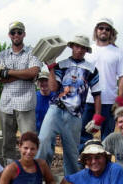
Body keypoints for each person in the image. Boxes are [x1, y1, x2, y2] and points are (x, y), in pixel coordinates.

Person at [37, 35, 101, 176]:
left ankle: (72, 183)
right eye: (77, 46)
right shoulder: (61, 64)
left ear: (86, 50)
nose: (79, 50)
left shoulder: (91, 69)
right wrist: (51, 69)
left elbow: (97, 93)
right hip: (56, 109)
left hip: (75, 114)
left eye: (82, 47)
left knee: (72, 152)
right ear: (72, 47)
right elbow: (53, 88)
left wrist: (97, 116)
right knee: (43, 142)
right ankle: (39, 177)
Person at [79, 17, 123, 152]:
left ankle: (105, 168)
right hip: (88, 100)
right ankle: (82, 166)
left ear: (111, 32)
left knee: (107, 138)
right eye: (101, 28)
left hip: (109, 102)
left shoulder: (118, 52)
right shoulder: (88, 50)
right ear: (96, 30)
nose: (104, 31)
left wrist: (120, 100)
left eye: (107, 29)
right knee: (83, 135)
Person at [0, 21, 42, 165]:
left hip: (26, 103)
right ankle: (9, 173)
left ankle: (29, 171)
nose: (16, 35)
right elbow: (0, 78)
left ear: (24, 34)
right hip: (6, 103)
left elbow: (34, 72)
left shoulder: (33, 52)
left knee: (29, 140)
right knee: (7, 142)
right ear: (9, 35)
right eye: (13, 32)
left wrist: (8, 72)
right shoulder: (2, 54)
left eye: (19, 32)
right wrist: (24, 74)